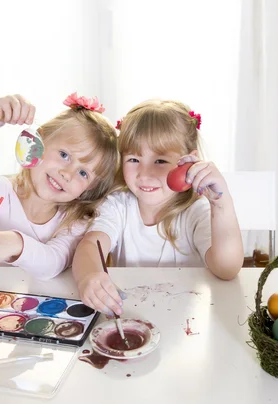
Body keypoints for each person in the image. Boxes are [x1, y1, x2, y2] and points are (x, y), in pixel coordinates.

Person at [72, 99, 243, 316]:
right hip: (133, 314)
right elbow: (90, 245)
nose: (145, 174)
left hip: (183, 320)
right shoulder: (119, 205)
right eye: (134, 159)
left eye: (160, 161)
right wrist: (89, 276)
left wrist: (221, 203)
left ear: (189, 161)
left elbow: (227, 269)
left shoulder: (195, 211)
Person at [0, 92, 119, 280]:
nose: (67, 174)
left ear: (90, 188)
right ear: (37, 141)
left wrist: (14, 243)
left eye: (83, 173)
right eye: (64, 155)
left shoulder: (74, 220)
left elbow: (53, 264)